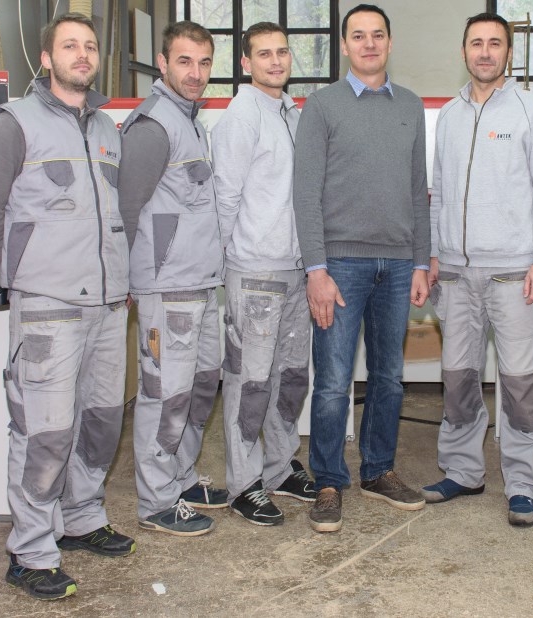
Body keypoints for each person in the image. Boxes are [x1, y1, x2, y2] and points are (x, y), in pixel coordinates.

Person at [0, 13, 136, 600]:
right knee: (44, 432)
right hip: (48, 308)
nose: (82, 54)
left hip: (108, 304)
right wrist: (26, 275)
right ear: (47, 58)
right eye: (69, 45)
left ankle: (83, 517)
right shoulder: (13, 124)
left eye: (89, 46)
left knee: (101, 420)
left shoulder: (108, 128)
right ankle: (31, 550)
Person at [421, 12, 533, 527]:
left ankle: (523, 484)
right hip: (457, 274)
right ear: (463, 51)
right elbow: (439, 191)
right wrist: (435, 253)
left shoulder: (532, 110)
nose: (485, 52)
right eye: (476, 43)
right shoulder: (450, 114)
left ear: (508, 52)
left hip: (514, 274)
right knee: (458, 378)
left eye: (495, 43)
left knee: (521, 383)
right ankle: (463, 471)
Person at [294, 3, 430, 533]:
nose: (369, 43)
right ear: (345, 45)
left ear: (389, 43)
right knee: (332, 382)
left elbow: (418, 192)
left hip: (397, 266)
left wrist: (420, 262)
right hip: (341, 266)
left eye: (377, 35)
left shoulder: (411, 105)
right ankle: (328, 481)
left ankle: (378, 470)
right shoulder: (322, 105)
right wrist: (316, 269)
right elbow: (305, 192)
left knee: (389, 377)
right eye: (358, 35)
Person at [119, 20, 228, 537]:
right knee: (165, 393)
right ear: (163, 63)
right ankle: (157, 500)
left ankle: (182, 479)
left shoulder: (191, 120)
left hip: (200, 283)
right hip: (166, 287)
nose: (195, 73)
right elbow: (126, 209)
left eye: (204, 63)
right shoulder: (153, 125)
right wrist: (126, 282)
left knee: (200, 385)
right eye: (184, 61)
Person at [212, 22, 317, 526]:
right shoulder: (242, 114)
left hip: (295, 270)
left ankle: (278, 467)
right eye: (264, 54)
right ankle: (244, 484)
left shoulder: (291, 114)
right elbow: (225, 197)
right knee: (250, 382)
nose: (275, 61)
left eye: (282, 52)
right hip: (254, 271)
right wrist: (226, 265)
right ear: (246, 63)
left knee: (290, 378)